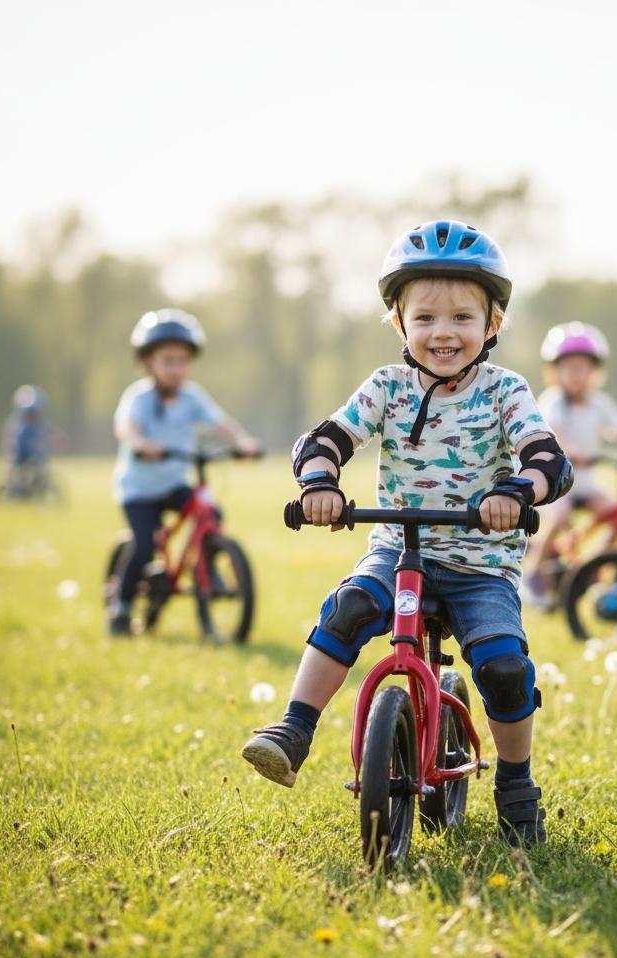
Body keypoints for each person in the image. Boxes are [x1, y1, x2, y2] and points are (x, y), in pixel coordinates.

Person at [241, 220, 573, 846]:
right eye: (424, 318)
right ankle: (293, 729)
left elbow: (549, 459)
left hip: (481, 563)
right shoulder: (387, 388)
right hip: (398, 551)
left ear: (492, 324)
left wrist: (515, 492)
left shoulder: (506, 392)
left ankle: (515, 781)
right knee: (348, 607)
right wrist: (320, 485)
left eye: (461, 318)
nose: (442, 332)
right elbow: (325, 440)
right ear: (399, 324)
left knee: (503, 668)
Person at [109, 309, 261, 636]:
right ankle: (120, 606)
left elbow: (221, 422)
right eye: (168, 361)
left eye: (182, 361)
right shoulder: (138, 398)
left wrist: (242, 442)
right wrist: (140, 443)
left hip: (174, 482)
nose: (176, 369)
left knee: (211, 511)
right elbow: (126, 427)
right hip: (138, 489)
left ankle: (208, 562)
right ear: (148, 363)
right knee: (144, 544)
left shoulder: (193, 397)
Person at [523, 323, 617, 607]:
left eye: (584, 369)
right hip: (557, 484)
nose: (578, 376)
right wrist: (571, 452)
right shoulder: (552, 402)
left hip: (585, 483)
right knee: (560, 515)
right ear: (556, 372)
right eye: (570, 369)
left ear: (594, 372)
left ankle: (590, 564)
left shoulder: (600, 403)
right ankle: (533, 573)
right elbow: (554, 435)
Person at [3, 386, 51, 496]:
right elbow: (15, 443)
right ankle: (17, 490)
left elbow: (49, 432)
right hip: (21, 455)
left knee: (38, 470)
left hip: (35, 455)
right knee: (18, 473)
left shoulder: (39, 424)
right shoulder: (19, 426)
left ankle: (35, 488)